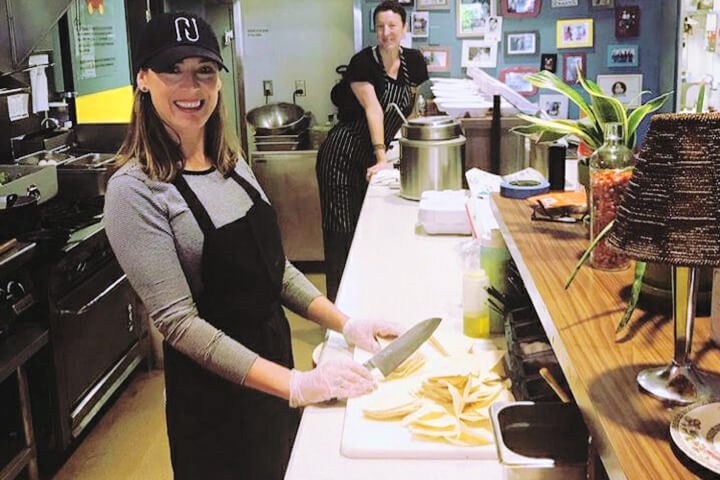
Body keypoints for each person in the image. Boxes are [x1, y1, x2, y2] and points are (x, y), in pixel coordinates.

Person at [104, 12, 403, 480]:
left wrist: (347, 324)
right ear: (142, 79)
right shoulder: (134, 191)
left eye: (203, 69)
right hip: (214, 399)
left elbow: (276, 269)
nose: (192, 86)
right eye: (172, 69)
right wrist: (296, 384)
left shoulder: (230, 162)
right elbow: (180, 325)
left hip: (273, 371)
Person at [317, 1, 429, 301]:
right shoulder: (362, 62)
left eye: (392, 26)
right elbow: (374, 110)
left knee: (368, 230)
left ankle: (364, 300)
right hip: (342, 154)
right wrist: (382, 157)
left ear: (404, 28)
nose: (386, 32)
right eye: (380, 26)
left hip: (372, 156)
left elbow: (414, 112)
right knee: (342, 229)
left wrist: (406, 155)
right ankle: (339, 308)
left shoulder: (415, 62)